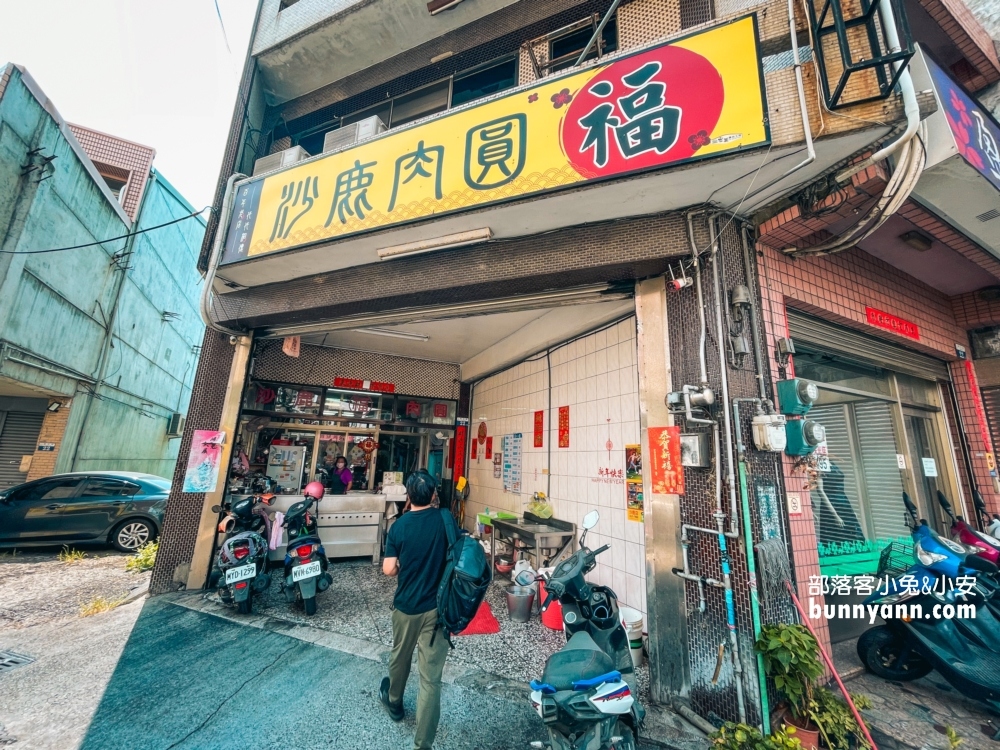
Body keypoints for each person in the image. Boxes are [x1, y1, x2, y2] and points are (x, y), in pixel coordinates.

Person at [379, 470, 456, 750]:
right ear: (434, 494)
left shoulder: (399, 526)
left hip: (407, 607)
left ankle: (395, 701)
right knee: (430, 679)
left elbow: (388, 569)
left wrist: (400, 564)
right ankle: (423, 744)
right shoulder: (446, 520)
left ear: (408, 496)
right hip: (438, 609)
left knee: (400, 656)